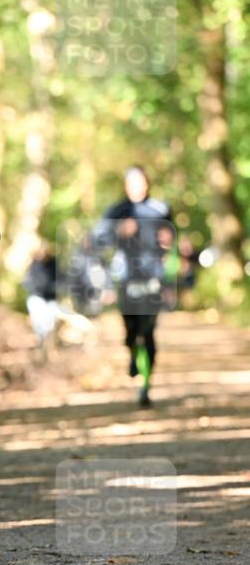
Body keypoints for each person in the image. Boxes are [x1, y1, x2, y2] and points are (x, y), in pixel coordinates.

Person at [95, 165, 176, 408]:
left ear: (148, 183)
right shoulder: (117, 210)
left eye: (142, 181)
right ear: (126, 185)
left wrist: (170, 280)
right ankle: (131, 352)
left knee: (148, 331)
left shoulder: (161, 209)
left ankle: (145, 386)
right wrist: (119, 231)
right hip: (125, 277)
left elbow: (172, 244)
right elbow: (98, 239)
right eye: (133, 182)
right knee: (130, 329)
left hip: (153, 277)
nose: (138, 186)